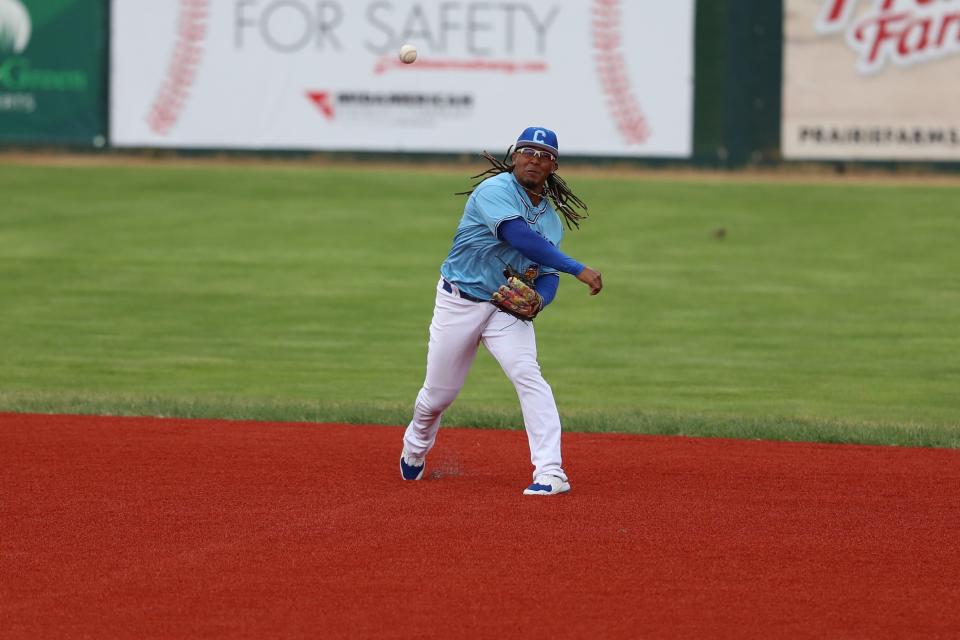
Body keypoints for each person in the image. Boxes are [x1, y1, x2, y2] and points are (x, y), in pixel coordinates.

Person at [399, 126, 603, 496]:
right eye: (527, 151)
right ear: (514, 157)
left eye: (543, 155)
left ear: (553, 166)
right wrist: (580, 269)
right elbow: (518, 237)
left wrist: (541, 299)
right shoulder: (493, 191)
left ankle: (551, 472)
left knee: (529, 376)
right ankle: (416, 442)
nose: (534, 159)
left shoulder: (552, 221)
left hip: (504, 310)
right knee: (439, 396)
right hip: (458, 300)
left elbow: (546, 273)